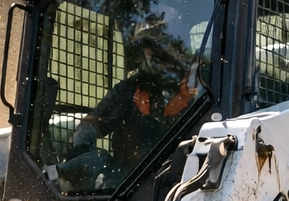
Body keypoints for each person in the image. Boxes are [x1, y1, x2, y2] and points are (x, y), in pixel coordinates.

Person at [68, 18, 200, 172]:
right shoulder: (129, 89)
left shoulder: (196, 86)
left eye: (161, 46)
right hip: (130, 182)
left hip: (181, 177)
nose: (153, 53)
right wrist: (81, 146)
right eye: (148, 47)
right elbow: (93, 122)